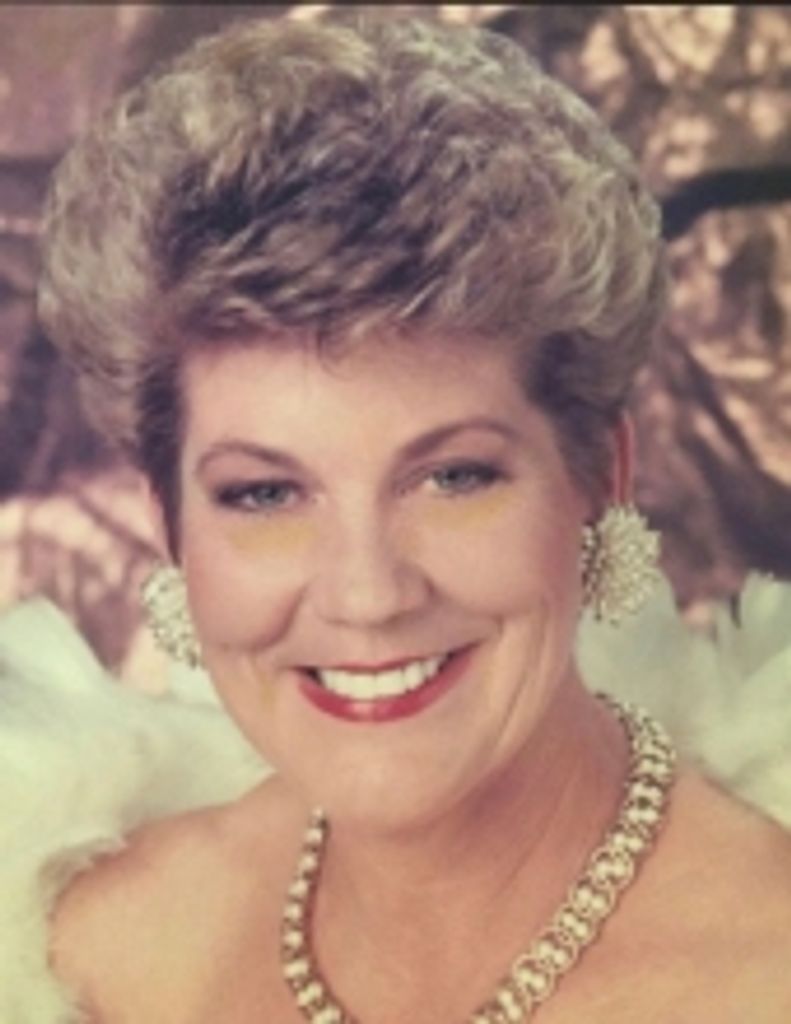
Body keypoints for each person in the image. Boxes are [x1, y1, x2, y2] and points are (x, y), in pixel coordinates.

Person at [7, 11, 791, 1023]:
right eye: (264, 493)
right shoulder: (92, 954)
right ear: (171, 527)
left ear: (600, 477)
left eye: (451, 477)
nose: (367, 594)